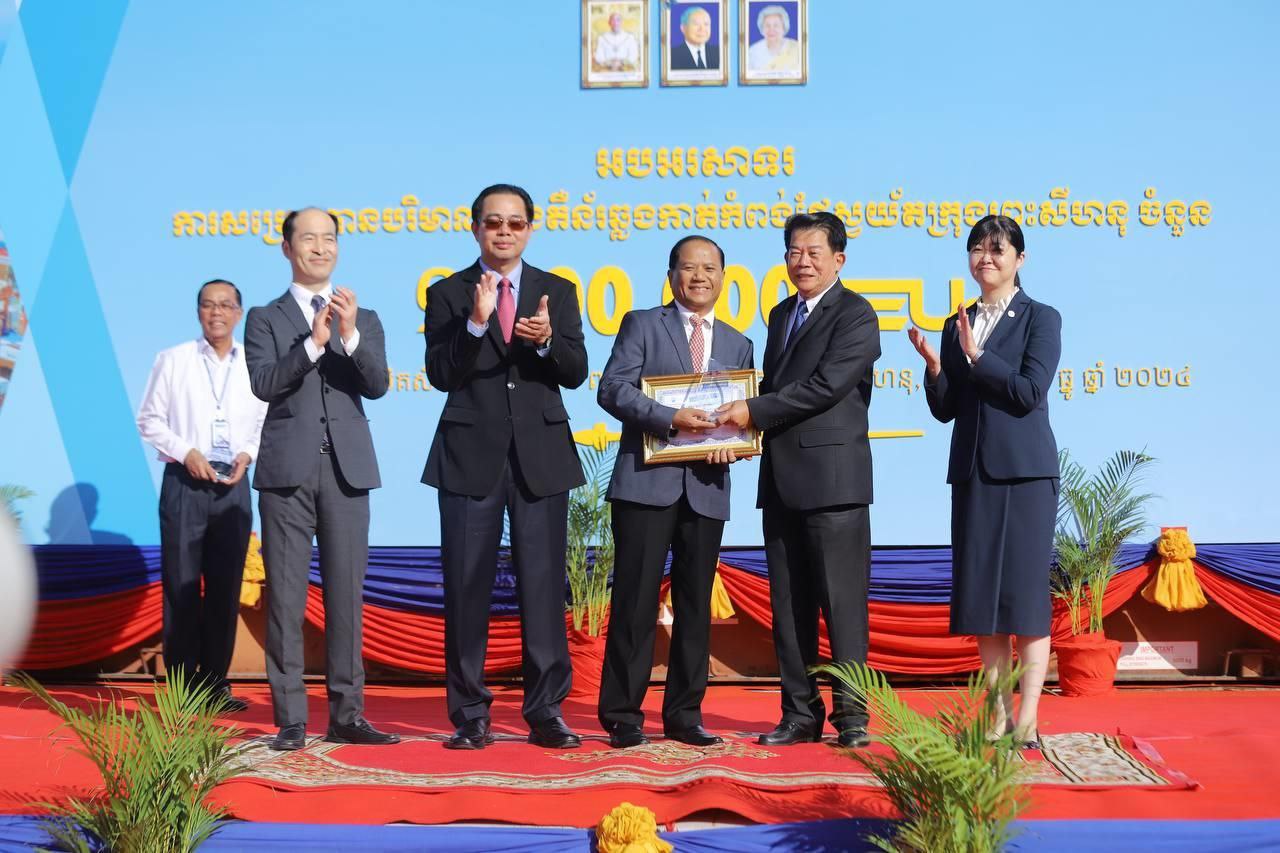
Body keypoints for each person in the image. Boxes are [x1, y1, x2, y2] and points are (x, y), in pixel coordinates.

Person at [423, 183, 589, 750]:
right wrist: (475, 324)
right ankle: (470, 714)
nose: (504, 232)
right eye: (493, 222)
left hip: (540, 456)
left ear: (530, 229)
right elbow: (440, 374)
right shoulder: (447, 292)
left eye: (515, 223)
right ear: (475, 229)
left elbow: (576, 371)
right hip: (469, 455)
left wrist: (546, 344)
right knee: (466, 586)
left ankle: (546, 712)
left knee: (543, 588)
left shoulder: (557, 291)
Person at [716, 211, 880, 748]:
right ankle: (799, 714)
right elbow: (775, 386)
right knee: (789, 608)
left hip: (834, 483)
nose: (802, 261)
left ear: (839, 259)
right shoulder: (781, 313)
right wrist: (738, 430)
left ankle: (852, 718)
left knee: (842, 606)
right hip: (782, 479)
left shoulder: (857, 314)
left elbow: (826, 386)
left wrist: (753, 412)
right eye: (793, 252)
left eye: (813, 252)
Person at [245, 207, 398, 751]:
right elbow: (264, 383)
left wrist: (348, 334)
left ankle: (347, 715)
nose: (320, 247)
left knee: (346, 597)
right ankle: (291, 719)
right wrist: (312, 344)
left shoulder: (364, 316)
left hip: (347, 472)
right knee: (286, 598)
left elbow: (377, 385)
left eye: (329, 238)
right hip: (287, 474)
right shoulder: (264, 317)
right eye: (308, 238)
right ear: (287, 248)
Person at [908, 214, 1061, 749]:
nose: (986, 258)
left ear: (1020, 259)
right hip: (974, 473)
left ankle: (1029, 719)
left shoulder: (1041, 317)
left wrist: (977, 355)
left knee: (1024, 599)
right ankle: (997, 716)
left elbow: (1028, 392)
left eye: (998, 249)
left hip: (1025, 475)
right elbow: (948, 409)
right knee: (983, 602)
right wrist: (935, 368)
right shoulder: (958, 322)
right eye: (977, 248)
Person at [596, 235, 754, 749]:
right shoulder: (643, 324)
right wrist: (669, 418)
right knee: (635, 603)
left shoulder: (739, 342)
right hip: (646, 485)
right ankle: (622, 714)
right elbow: (612, 389)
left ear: (723, 278)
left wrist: (734, 446)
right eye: (689, 267)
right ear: (671, 276)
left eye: (710, 268)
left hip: (706, 487)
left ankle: (685, 714)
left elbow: (742, 418)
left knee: (695, 606)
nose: (699, 277)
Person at [136, 278, 267, 712]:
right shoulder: (173, 360)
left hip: (233, 485)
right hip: (184, 483)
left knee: (226, 588)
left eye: (226, 305)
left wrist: (247, 454)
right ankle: (180, 689)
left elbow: (265, 420)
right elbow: (149, 420)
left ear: (239, 313)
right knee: (181, 586)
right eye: (209, 305)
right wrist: (186, 452)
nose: (217, 312)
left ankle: (214, 686)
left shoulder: (255, 364)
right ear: (198, 312)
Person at [747, 4, 802, 72]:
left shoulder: (797, 48)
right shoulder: (752, 52)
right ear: (762, 29)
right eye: (767, 25)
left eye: (776, 25)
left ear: (784, 28)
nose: (771, 30)